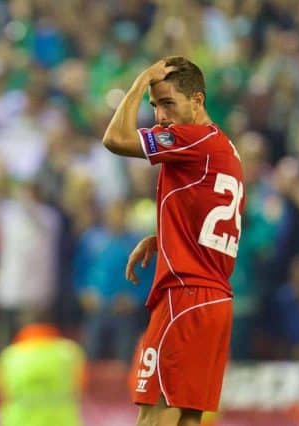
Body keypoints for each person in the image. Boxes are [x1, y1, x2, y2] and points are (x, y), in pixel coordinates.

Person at [102, 56, 245, 426]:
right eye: (153, 105)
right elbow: (208, 212)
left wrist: (139, 82)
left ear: (197, 100)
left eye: (168, 103)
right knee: (188, 420)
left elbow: (115, 139)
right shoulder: (225, 148)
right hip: (215, 301)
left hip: (184, 296)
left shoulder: (191, 139)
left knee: (154, 417)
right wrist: (163, 235)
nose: (160, 115)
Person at [0, 321, 86, 426]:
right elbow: (80, 385)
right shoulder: (69, 352)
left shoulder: (10, 356)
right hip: (61, 420)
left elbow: (3, 391)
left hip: (19, 420)